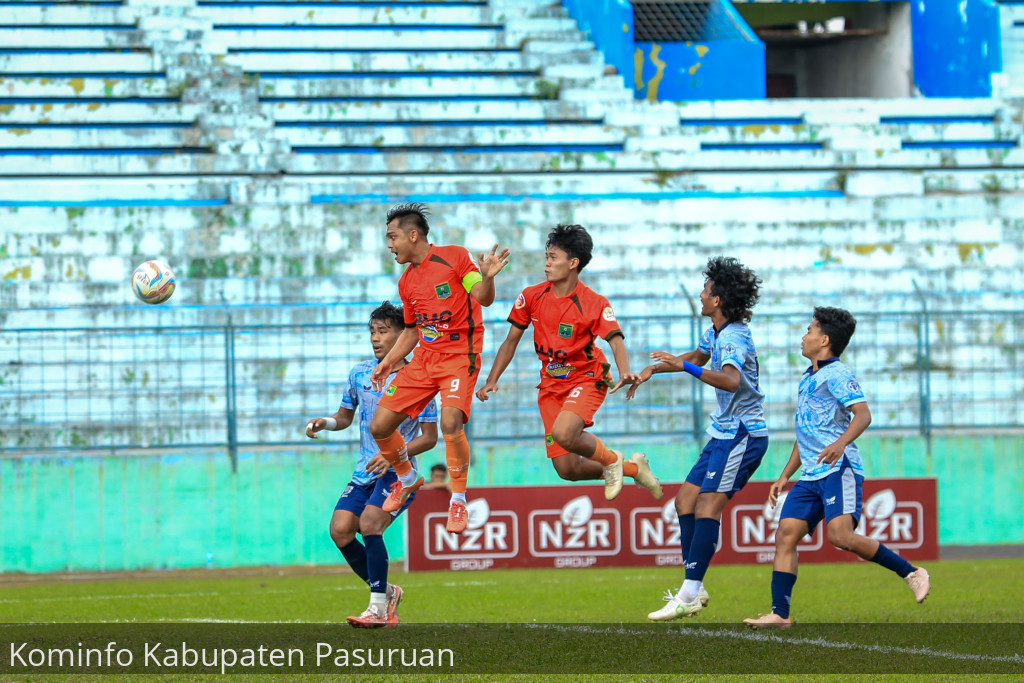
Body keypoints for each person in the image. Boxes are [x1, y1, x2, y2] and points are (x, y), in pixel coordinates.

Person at [743, 307, 930, 629]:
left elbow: (863, 415)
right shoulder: (808, 377)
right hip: (810, 474)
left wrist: (841, 443)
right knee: (786, 534)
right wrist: (785, 475)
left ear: (824, 339)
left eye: (809, 331)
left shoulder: (838, 374)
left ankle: (911, 572)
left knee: (840, 536)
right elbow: (806, 434)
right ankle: (780, 613)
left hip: (838, 469)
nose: (804, 337)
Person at [626, 256, 768, 620]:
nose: (701, 295)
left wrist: (685, 366)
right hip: (723, 432)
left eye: (705, 291)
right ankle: (696, 584)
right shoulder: (717, 332)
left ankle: (689, 591)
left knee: (707, 506)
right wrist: (651, 370)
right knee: (684, 502)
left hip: (743, 435)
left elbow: (731, 380)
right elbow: (697, 355)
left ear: (718, 300)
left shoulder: (734, 336)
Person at [476, 224, 662, 500]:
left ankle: (611, 460)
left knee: (564, 433)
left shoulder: (593, 302)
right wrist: (491, 380)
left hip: (587, 378)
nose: (547, 264)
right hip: (551, 385)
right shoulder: (531, 296)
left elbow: (615, 340)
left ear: (573, 263)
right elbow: (511, 340)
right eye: (547, 257)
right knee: (568, 470)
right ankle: (634, 469)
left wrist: (624, 372)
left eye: (553, 257)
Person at [368, 203, 510, 534]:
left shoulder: (456, 257)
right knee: (380, 426)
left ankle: (458, 500)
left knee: (450, 421)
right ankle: (405, 479)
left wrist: (487, 278)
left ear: (413, 235)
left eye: (392, 237)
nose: (389, 245)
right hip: (426, 360)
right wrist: (387, 362)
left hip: (460, 356)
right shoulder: (406, 283)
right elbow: (413, 331)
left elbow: (482, 297)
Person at [305, 301, 438, 629]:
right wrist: (326, 422)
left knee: (369, 523)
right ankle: (387, 592)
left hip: (399, 472)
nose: (376, 338)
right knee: (339, 530)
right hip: (365, 470)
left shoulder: (417, 379)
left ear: (403, 335)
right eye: (372, 332)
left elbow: (430, 437)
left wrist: (396, 452)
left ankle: (378, 608)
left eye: (383, 331)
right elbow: (344, 417)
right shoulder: (360, 373)